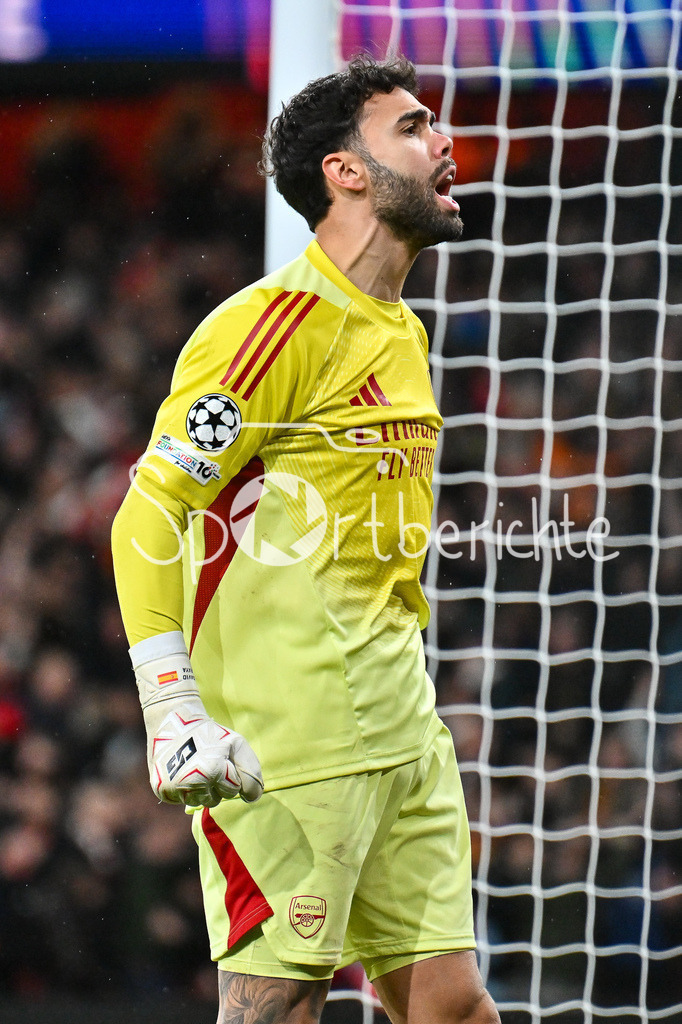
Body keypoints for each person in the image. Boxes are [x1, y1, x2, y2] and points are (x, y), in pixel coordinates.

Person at [111, 54, 500, 1024]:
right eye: (412, 127)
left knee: (450, 1007)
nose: (444, 142)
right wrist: (171, 709)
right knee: (276, 1006)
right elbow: (147, 513)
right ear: (345, 170)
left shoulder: (401, 332)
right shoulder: (269, 329)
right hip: (286, 746)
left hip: (401, 728)